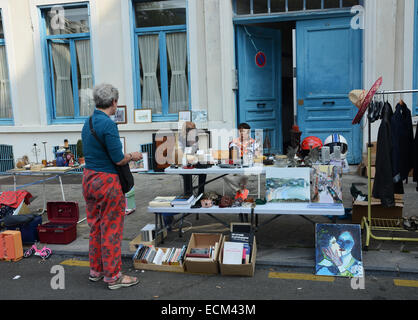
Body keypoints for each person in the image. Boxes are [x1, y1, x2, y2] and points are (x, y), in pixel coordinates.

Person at [81, 83, 142, 290]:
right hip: (107, 182)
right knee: (111, 229)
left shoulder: (87, 122)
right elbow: (118, 159)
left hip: (89, 179)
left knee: (95, 227)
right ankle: (113, 276)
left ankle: (96, 271)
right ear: (114, 102)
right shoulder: (108, 125)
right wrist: (134, 156)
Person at [223, 123, 261, 194]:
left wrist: (255, 156)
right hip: (236, 166)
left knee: (245, 174)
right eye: (241, 131)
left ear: (248, 132)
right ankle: (239, 190)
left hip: (249, 166)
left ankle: (239, 191)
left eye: (244, 132)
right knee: (224, 175)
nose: (242, 134)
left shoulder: (254, 143)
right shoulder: (234, 143)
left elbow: (257, 156)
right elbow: (232, 157)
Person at [178, 121, 207, 196]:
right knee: (187, 172)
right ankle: (188, 194)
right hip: (183, 163)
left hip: (193, 161)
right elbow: (182, 153)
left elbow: (196, 151)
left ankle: (201, 194)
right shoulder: (181, 139)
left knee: (203, 172)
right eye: (191, 129)